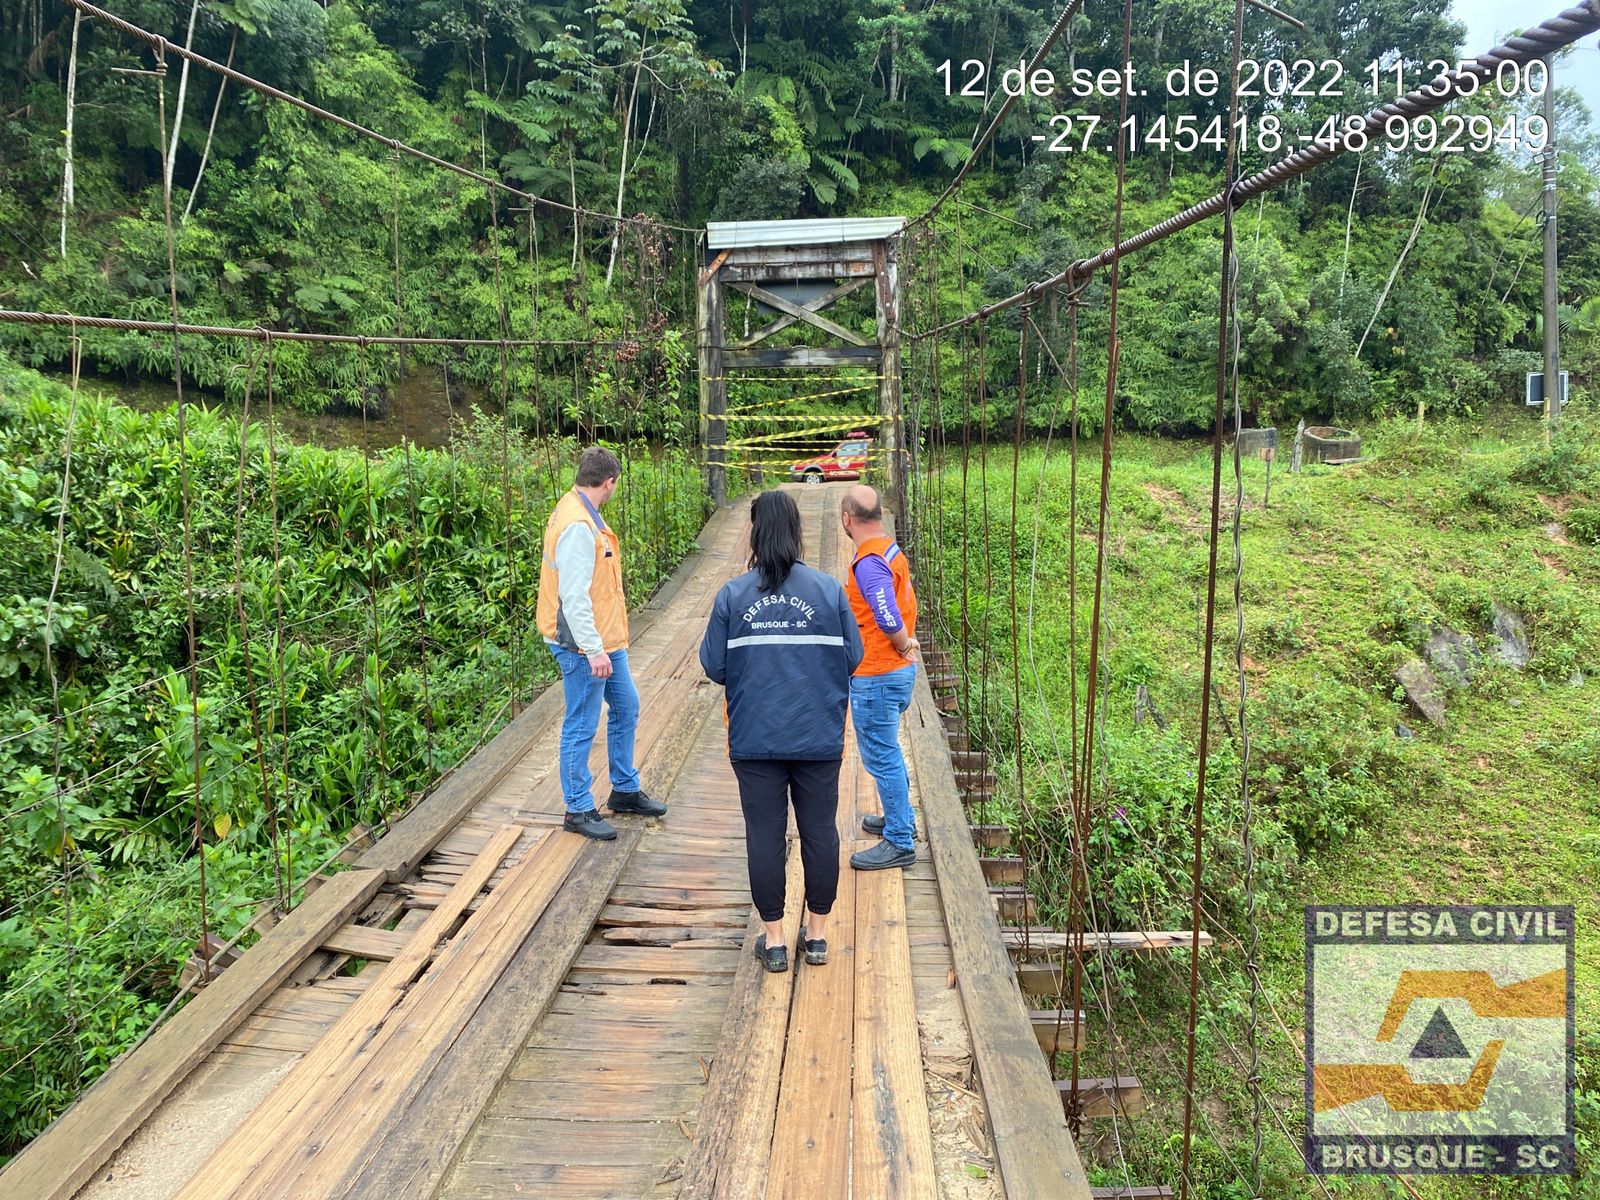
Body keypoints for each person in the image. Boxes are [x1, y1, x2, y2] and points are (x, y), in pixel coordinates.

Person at [699, 490, 863, 973]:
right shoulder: (830, 591)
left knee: (765, 836)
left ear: (753, 531)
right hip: (818, 735)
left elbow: (713, 666)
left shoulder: (732, 595)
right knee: (819, 832)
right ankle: (815, 937)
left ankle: (773, 941)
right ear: (796, 531)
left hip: (754, 740)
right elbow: (852, 658)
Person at [536, 446, 666, 840]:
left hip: (605, 638)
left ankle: (624, 790)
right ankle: (577, 808)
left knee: (626, 706)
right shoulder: (578, 526)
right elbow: (573, 597)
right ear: (608, 483)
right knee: (581, 722)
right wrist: (593, 650)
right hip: (582, 645)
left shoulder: (580, 511)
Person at [839, 485, 920, 871]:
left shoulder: (869, 562)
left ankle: (900, 841)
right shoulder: (888, 549)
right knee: (890, 751)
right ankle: (899, 818)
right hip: (895, 674)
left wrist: (903, 644)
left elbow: (887, 615)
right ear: (879, 515)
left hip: (878, 673)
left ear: (846, 519)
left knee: (882, 757)